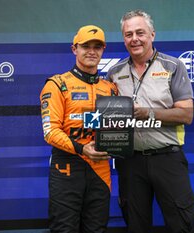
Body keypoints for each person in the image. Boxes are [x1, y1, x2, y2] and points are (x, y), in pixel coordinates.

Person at [106, 10, 194, 233]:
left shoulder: (173, 66)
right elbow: (109, 117)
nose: (134, 39)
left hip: (167, 157)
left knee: (180, 224)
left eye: (140, 33)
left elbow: (186, 115)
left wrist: (149, 113)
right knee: (135, 225)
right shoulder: (114, 73)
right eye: (128, 34)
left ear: (152, 35)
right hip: (130, 162)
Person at [40, 25, 117, 233]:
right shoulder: (57, 84)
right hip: (66, 167)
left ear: (103, 50)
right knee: (64, 229)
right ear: (74, 49)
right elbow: (50, 132)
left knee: (96, 229)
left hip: (100, 170)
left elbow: (116, 128)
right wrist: (83, 149)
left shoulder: (110, 88)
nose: (92, 51)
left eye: (97, 46)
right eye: (85, 46)